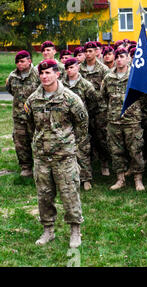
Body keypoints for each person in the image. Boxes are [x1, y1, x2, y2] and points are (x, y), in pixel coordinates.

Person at [25, 59, 89, 248]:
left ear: (57, 74)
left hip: (64, 156)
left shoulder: (70, 98)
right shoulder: (33, 99)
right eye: (42, 73)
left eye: (48, 73)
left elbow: (82, 124)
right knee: (44, 195)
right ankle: (48, 230)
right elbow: (30, 124)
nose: (44, 77)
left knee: (69, 194)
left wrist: (68, 142)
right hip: (42, 156)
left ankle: (75, 231)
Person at [100, 48, 146, 191]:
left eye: (122, 57)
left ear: (128, 59)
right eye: (117, 57)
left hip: (132, 120)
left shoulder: (135, 76)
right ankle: (120, 179)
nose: (119, 59)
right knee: (116, 151)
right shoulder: (108, 77)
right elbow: (104, 96)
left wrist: (134, 110)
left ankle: (138, 179)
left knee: (135, 150)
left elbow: (143, 97)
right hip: (114, 120)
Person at [62, 58, 98, 191]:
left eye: (72, 67)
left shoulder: (85, 85)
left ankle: (86, 179)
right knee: (65, 149)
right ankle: (68, 178)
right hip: (65, 121)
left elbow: (94, 102)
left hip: (81, 122)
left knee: (83, 150)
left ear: (78, 67)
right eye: (68, 68)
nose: (70, 70)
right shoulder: (61, 84)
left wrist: (85, 114)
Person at [6, 50, 40, 177]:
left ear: (29, 61)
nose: (19, 64)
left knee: (38, 141)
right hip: (18, 116)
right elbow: (10, 90)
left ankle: (40, 166)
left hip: (35, 116)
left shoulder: (37, 74)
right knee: (20, 142)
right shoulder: (12, 76)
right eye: (17, 62)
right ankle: (26, 167)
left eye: (22, 61)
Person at [79, 41, 111, 176]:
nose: (88, 54)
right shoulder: (79, 68)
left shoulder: (103, 69)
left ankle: (104, 163)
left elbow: (109, 88)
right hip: (83, 108)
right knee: (85, 137)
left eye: (90, 51)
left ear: (96, 52)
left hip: (100, 109)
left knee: (101, 137)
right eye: (86, 51)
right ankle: (88, 165)